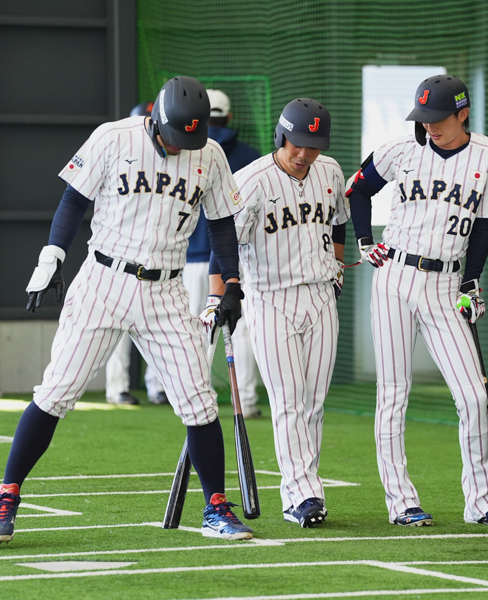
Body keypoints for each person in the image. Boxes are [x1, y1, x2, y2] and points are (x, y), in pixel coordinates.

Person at [0, 76, 253, 543]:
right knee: (56, 392)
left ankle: (215, 508)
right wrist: (53, 255)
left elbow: (222, 223)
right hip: (103, 281)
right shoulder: (113, 137)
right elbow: (73, 201)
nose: (181, 145)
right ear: (156, 118)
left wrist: (231, 282)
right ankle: (7, 494)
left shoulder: (209, 153)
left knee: (199, 401)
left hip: (166, 290)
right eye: (175, 135)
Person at [346, 75, 488, 528]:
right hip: (395, 278)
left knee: (474, 397)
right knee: (394, 394)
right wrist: (365, 241)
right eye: (423, 117)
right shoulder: (401, 149)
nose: (430, 126)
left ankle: (479, 502)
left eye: (438, 118)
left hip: (447, 284)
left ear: (463, 114)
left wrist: (471, 283)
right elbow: (357, 189)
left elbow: (485, 226)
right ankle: (401, 501)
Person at [206, 98, 349, 528]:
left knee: (314, 402)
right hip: (271, 298)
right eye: (297, 144)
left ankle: (306, 489)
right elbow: (223, 241)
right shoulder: (251, 181)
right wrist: (221, 295)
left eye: (313, 146)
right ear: (281, 136)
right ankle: (302, 494)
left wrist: (338, 265)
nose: (304, 153)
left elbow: (339, 221)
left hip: (321, 295)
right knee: (288, 399)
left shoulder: (331, 171)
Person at [184, 89, 261, 418]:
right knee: (240, 331)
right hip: (233, 260)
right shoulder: (252, 157)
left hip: (190, 256)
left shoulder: (186, 151)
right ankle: (246, 400)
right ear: (228, 117)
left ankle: (185, 397)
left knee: (189, 329)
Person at [103, 101, 169, 406]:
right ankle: (117, 389)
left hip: (157, 265)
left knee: (161, 331)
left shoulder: (169, 162)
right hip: (117, 261)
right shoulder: (117, 149)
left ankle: (157, 387)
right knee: (116, 331)